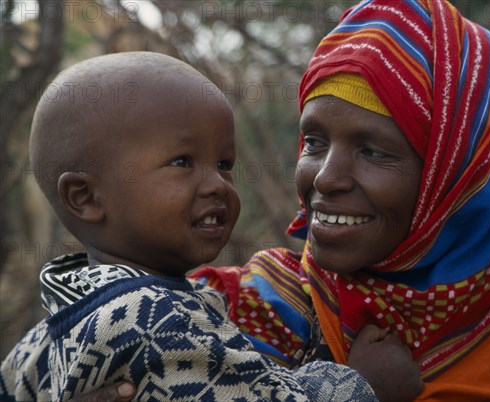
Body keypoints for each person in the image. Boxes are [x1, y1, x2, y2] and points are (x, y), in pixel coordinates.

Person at [32, 0, 490, 400]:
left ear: (470, 181)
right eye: (315, 141)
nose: (324, 178)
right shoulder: (221, 313)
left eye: (375, 151)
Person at [0, 51, 424, 402]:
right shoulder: (155, 321)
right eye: (182, 162)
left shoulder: (55, 323)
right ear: (86, 198)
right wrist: (367, 387)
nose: (218, 186)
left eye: (224, 165)